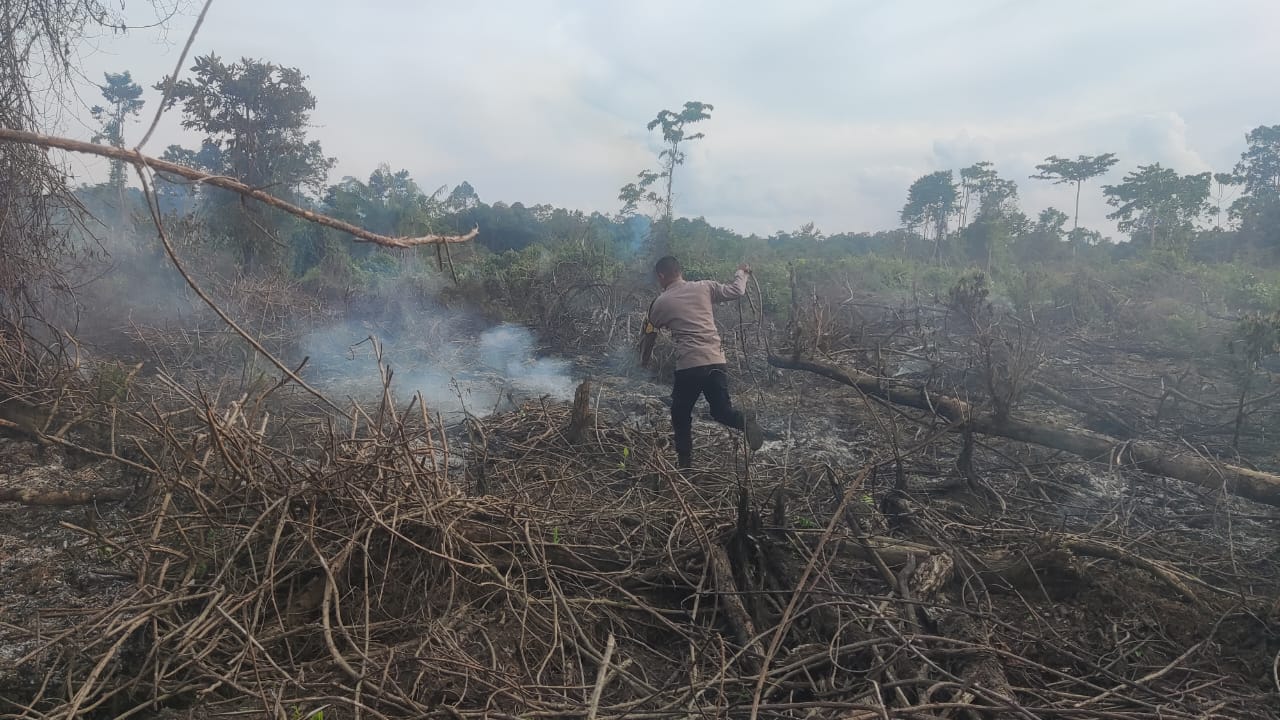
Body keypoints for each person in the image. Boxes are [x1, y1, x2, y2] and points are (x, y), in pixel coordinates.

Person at [643, 255, 763, 469]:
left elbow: (650, 330)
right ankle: (746, 421)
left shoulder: (661, 302)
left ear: (661, 276)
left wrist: (643, 358)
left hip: (690, 365)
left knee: (680, 413)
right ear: (680, 271)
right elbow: (737, 291)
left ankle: (685, 465)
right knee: (721, 411)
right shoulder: (705, 287)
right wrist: (741, 272)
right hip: (716, 360)